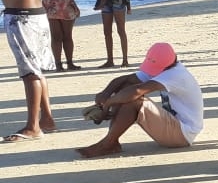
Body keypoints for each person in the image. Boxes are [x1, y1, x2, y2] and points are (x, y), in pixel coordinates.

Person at [76, 43, 204, 158]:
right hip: (174, 125)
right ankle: (112, 141)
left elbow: (136, 92)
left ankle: (107, 143)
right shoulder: (166, 67)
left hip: (183, 134)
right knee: (125, 88)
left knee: (134, 100)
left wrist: (108, 104)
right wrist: (105, 93)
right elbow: (125, 80)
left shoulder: (176, 75)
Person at [0, 0, 56, 142]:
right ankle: (47, 119)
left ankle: (33, 127)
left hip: (22, 16)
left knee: (30, 71)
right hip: (38, 14)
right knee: (37, 69)